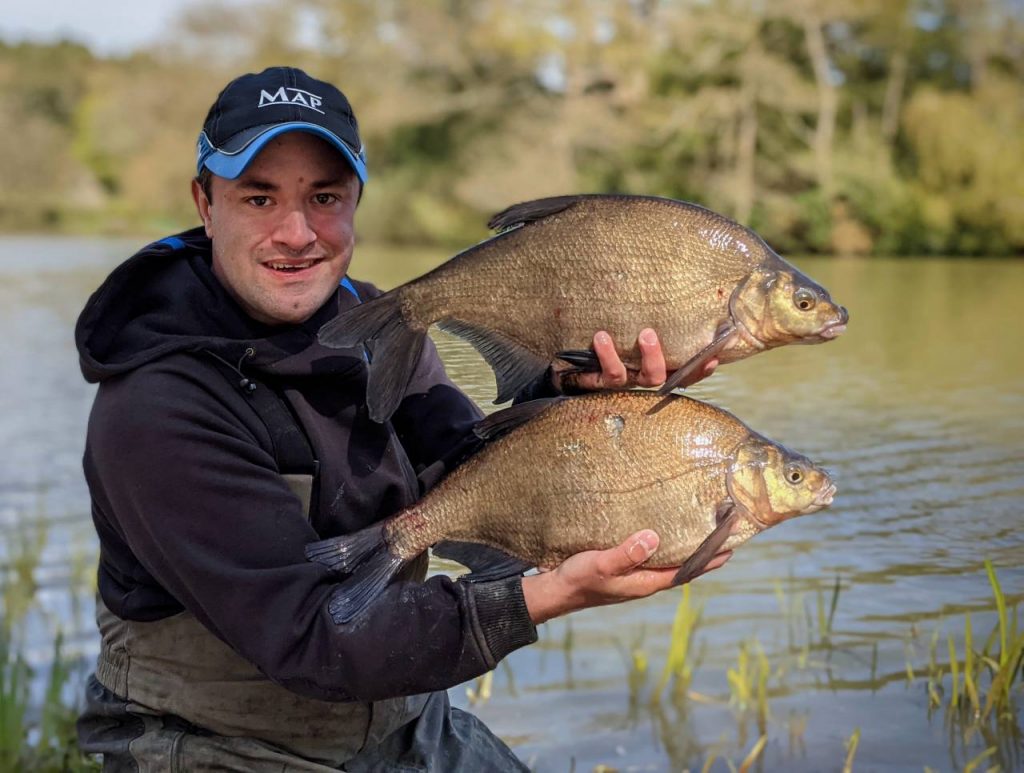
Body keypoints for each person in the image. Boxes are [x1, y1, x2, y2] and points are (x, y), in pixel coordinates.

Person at [74, 66, 725, 771]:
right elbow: (311, 638)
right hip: (218, 745)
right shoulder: (155, 406)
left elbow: (470, 469)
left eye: (324, 197)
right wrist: (541, 597)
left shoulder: (374, 321)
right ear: (205, 204)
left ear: (356, 200)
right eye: (259, 197)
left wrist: (572, 389)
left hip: (401, 722)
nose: (296, 232)